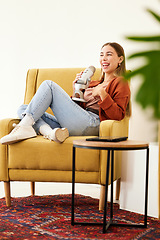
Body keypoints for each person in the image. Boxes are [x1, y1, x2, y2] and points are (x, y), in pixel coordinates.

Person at [0, 42, 130, 145]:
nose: (104, 58)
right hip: (77, 123)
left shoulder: (120, 82)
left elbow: (118, 115)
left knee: (48, 85)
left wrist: (103, 94)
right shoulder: (93, 83)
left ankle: (24, 127)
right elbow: (76, 110)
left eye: (109, 54)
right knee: (23, 108)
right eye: (101, 55)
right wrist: (76, 91)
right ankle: (51, 134)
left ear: (120, 59)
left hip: (93, 123)